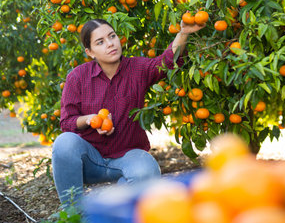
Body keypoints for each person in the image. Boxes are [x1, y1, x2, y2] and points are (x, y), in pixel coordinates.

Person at [52, 18, 204, 206]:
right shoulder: (77, 77)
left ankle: (111, 206)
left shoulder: (137, 69)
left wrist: (184, 33)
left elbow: (166, 62)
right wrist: (90, 119)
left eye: (112, 36)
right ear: (90, 52)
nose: (110, 44)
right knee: (64, 143)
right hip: (89, 161)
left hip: (127, 157)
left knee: (146, 171)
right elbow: (66, 121)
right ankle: (72, 214)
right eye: (100, 42)